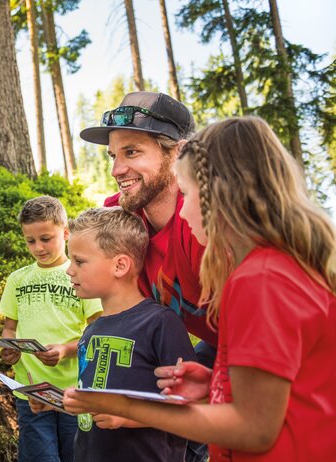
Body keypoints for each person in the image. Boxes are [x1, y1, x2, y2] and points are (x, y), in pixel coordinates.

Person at [62, 117, 336, 461]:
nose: (184, 211)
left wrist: (129, 407)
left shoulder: (261, 280)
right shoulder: (270, 271)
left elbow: (255, 427)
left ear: (217, 197)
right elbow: (283, 390)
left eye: (187, 194)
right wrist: (215, 385)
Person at [54, 206, 195, 462]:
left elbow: (191, 407)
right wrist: (60, 401)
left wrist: (128, 417)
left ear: (120, 265)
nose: (69, 270)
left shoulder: (160, 323)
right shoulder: (92, 330)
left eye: (80, 261)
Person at [80, 91, 217, 350]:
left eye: (131, 152)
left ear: (179, 153)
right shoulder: (120, 217)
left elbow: (266, 326)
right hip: (220, 344)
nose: (116, 170)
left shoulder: (204, 219)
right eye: (113, 156)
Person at [0, 196, 102, 462]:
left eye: (46, 239)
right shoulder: (17, 279)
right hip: (31, 390)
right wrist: (8, 348)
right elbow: (10, 328)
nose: (38, 248)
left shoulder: (81, 274)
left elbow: (96, 332)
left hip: (74, 391)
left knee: (75, 455)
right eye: (30, 241)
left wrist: (66, 350)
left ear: (65, 233)